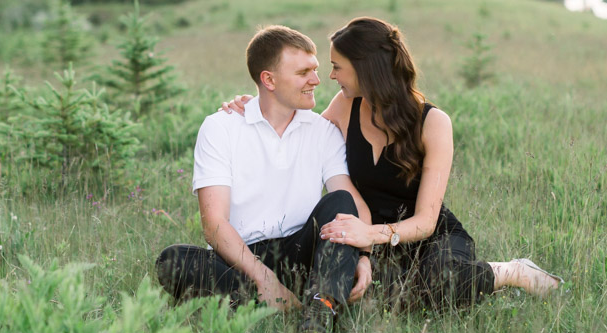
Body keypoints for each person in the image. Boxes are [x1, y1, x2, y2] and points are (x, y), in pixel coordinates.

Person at [224, 17, 563, 313]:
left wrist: (368, 234)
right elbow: (302, 131)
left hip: (428, 236)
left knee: (440, 283)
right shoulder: (345, 106)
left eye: (337, 67)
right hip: (371, 241)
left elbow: (427, 221)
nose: (330, 76)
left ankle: (509, 272)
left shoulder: (433, 122)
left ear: (365, 68)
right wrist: (253, 104)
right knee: (378, 297)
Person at [156, 25, 373, 333]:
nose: (316, 80)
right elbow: (214, 225)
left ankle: (319, 312)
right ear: (268, 79)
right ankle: (274, 299)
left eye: (315, 70)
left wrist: (363, 255)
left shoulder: (322, 131)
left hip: (304, 252)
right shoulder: (222, 128)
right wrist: (264, 279)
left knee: (340, 203)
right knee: (172, 261)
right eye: (303, 73)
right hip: (242, 259)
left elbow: (350, 204)